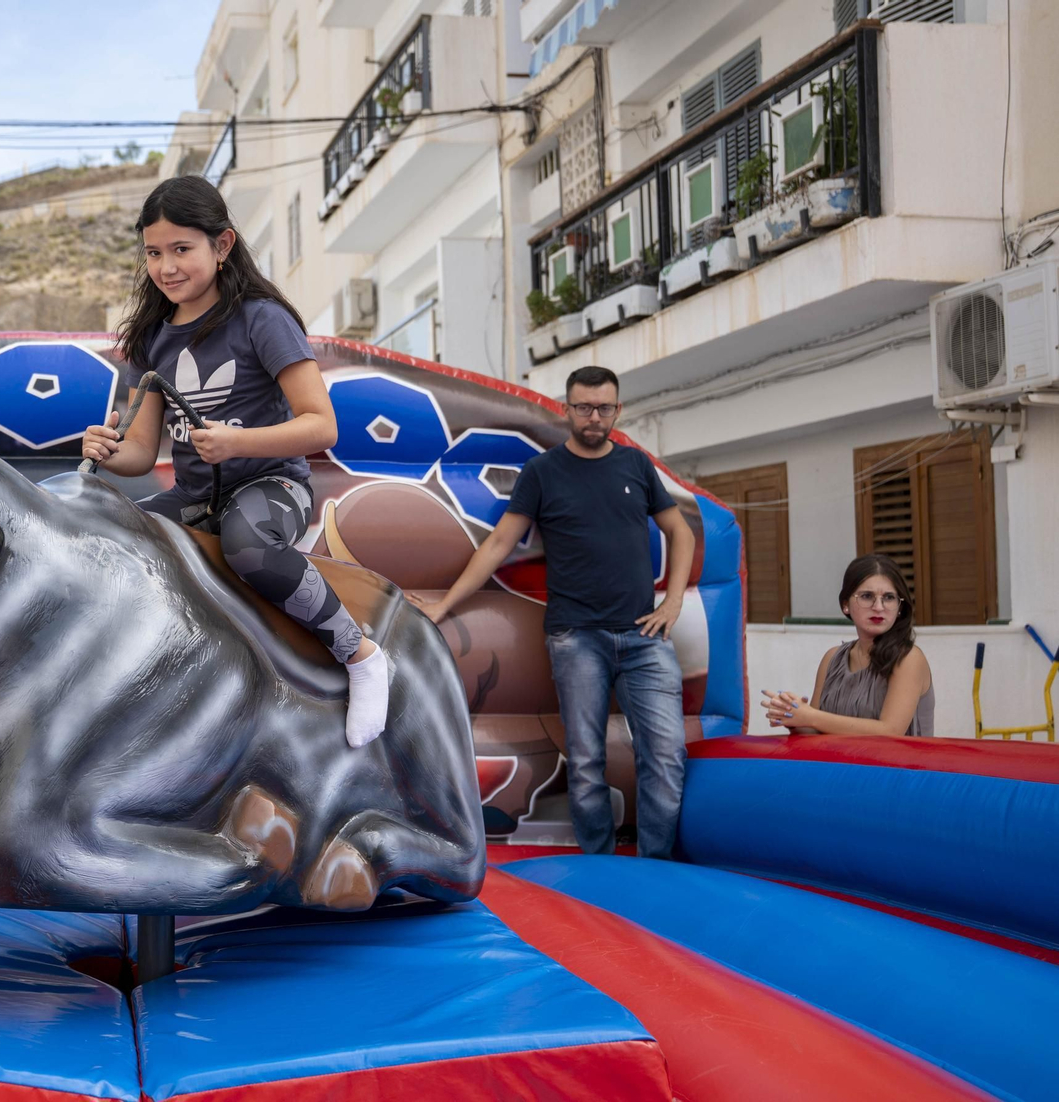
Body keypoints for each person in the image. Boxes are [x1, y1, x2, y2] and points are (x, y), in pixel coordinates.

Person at [81, 176, 388, 749]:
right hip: (198, 498)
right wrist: (107, 449)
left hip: (273, 485)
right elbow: (143, 451)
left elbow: (322, 425)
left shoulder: (261, 318)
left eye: (181, 250)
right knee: (105, 533)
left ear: (222, 247)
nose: (166, 266)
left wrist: (239, 444)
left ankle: (361, 654)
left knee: (250, 544)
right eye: (153, 252)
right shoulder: (150, 338)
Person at [411, 365, 695, 859]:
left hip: (644, 638)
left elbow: (681, 531)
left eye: (604, 408)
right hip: (576, 639)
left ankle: (656, 867)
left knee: (666, 756)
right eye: (583, 407)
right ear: (566, 409)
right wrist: (444, 604)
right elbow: (499, 543)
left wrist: (672, 601)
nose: (593, 417)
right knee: (586, 764)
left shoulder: (636, 465)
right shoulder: (543, 472)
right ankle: (600, 867)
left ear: (617, 410)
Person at [761, 554, 934, 737]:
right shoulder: (832, 658)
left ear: (899, 608)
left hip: (896, 766)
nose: (878, 606)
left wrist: (810, 716)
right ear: (845, 605)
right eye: (867, 596)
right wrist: (791, 714)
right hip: (840, 765)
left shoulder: (909, 658)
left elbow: (890, 731)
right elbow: (814, 731)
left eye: (889, 597)